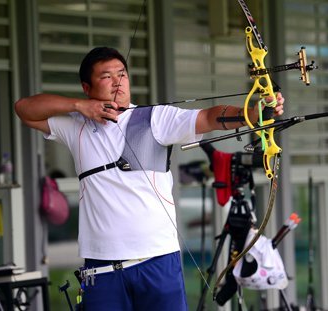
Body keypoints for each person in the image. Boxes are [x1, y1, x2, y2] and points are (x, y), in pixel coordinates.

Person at [15, 46, 284, 311]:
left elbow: (208, 117)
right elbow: (24, 109)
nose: (117, 83)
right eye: (106, 76)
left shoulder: (154, 118)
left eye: (122, 74)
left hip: (156, 262)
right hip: (102, 268)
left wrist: (252, 113)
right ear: (87, 88)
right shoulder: (76, 126)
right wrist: (78, 106)